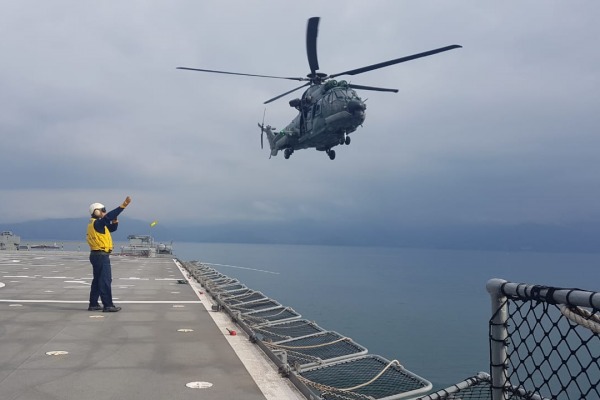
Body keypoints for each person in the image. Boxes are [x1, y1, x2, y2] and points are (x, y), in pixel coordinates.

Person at [86, 196, 131, 312]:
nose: (104, 212)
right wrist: (123, 206)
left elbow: (111, 228)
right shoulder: (97, 223)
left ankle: (93, 304)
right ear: (96, 211)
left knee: (97, 280)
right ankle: (108, 305)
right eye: (103, 209)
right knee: (105, 280)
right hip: (101, 256)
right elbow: (108, 218)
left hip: (96, 255)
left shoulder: (96, 224)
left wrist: (115, 222)